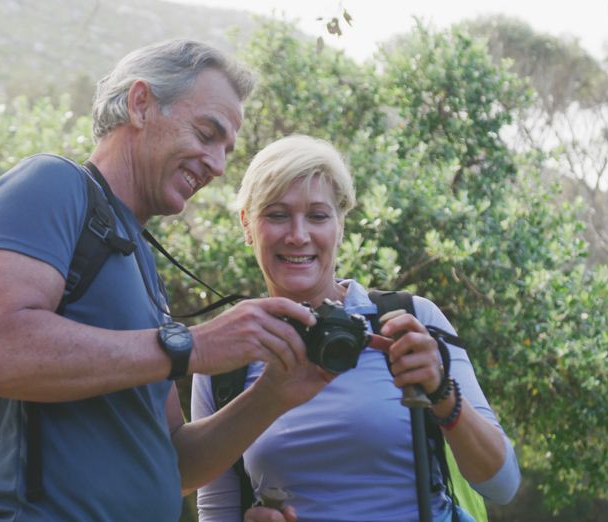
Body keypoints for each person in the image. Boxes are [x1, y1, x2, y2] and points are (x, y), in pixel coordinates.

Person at [0, 41, 327, 520]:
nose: (217, 164)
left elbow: (175, 462)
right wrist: (189, 347)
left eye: (226, 149)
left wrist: (274, 394)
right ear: (140, 104)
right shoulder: (50, 184)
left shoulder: (137, 260)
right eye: (207, 133)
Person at [191, 135, 522, 522]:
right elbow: (215, 512)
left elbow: (502, 486)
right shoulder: (226, 355)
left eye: (317, 216)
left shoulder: (411, 321)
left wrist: (441, 392)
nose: (298, 235)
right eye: (277, 214)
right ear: (247, 224)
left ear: (340, 224)